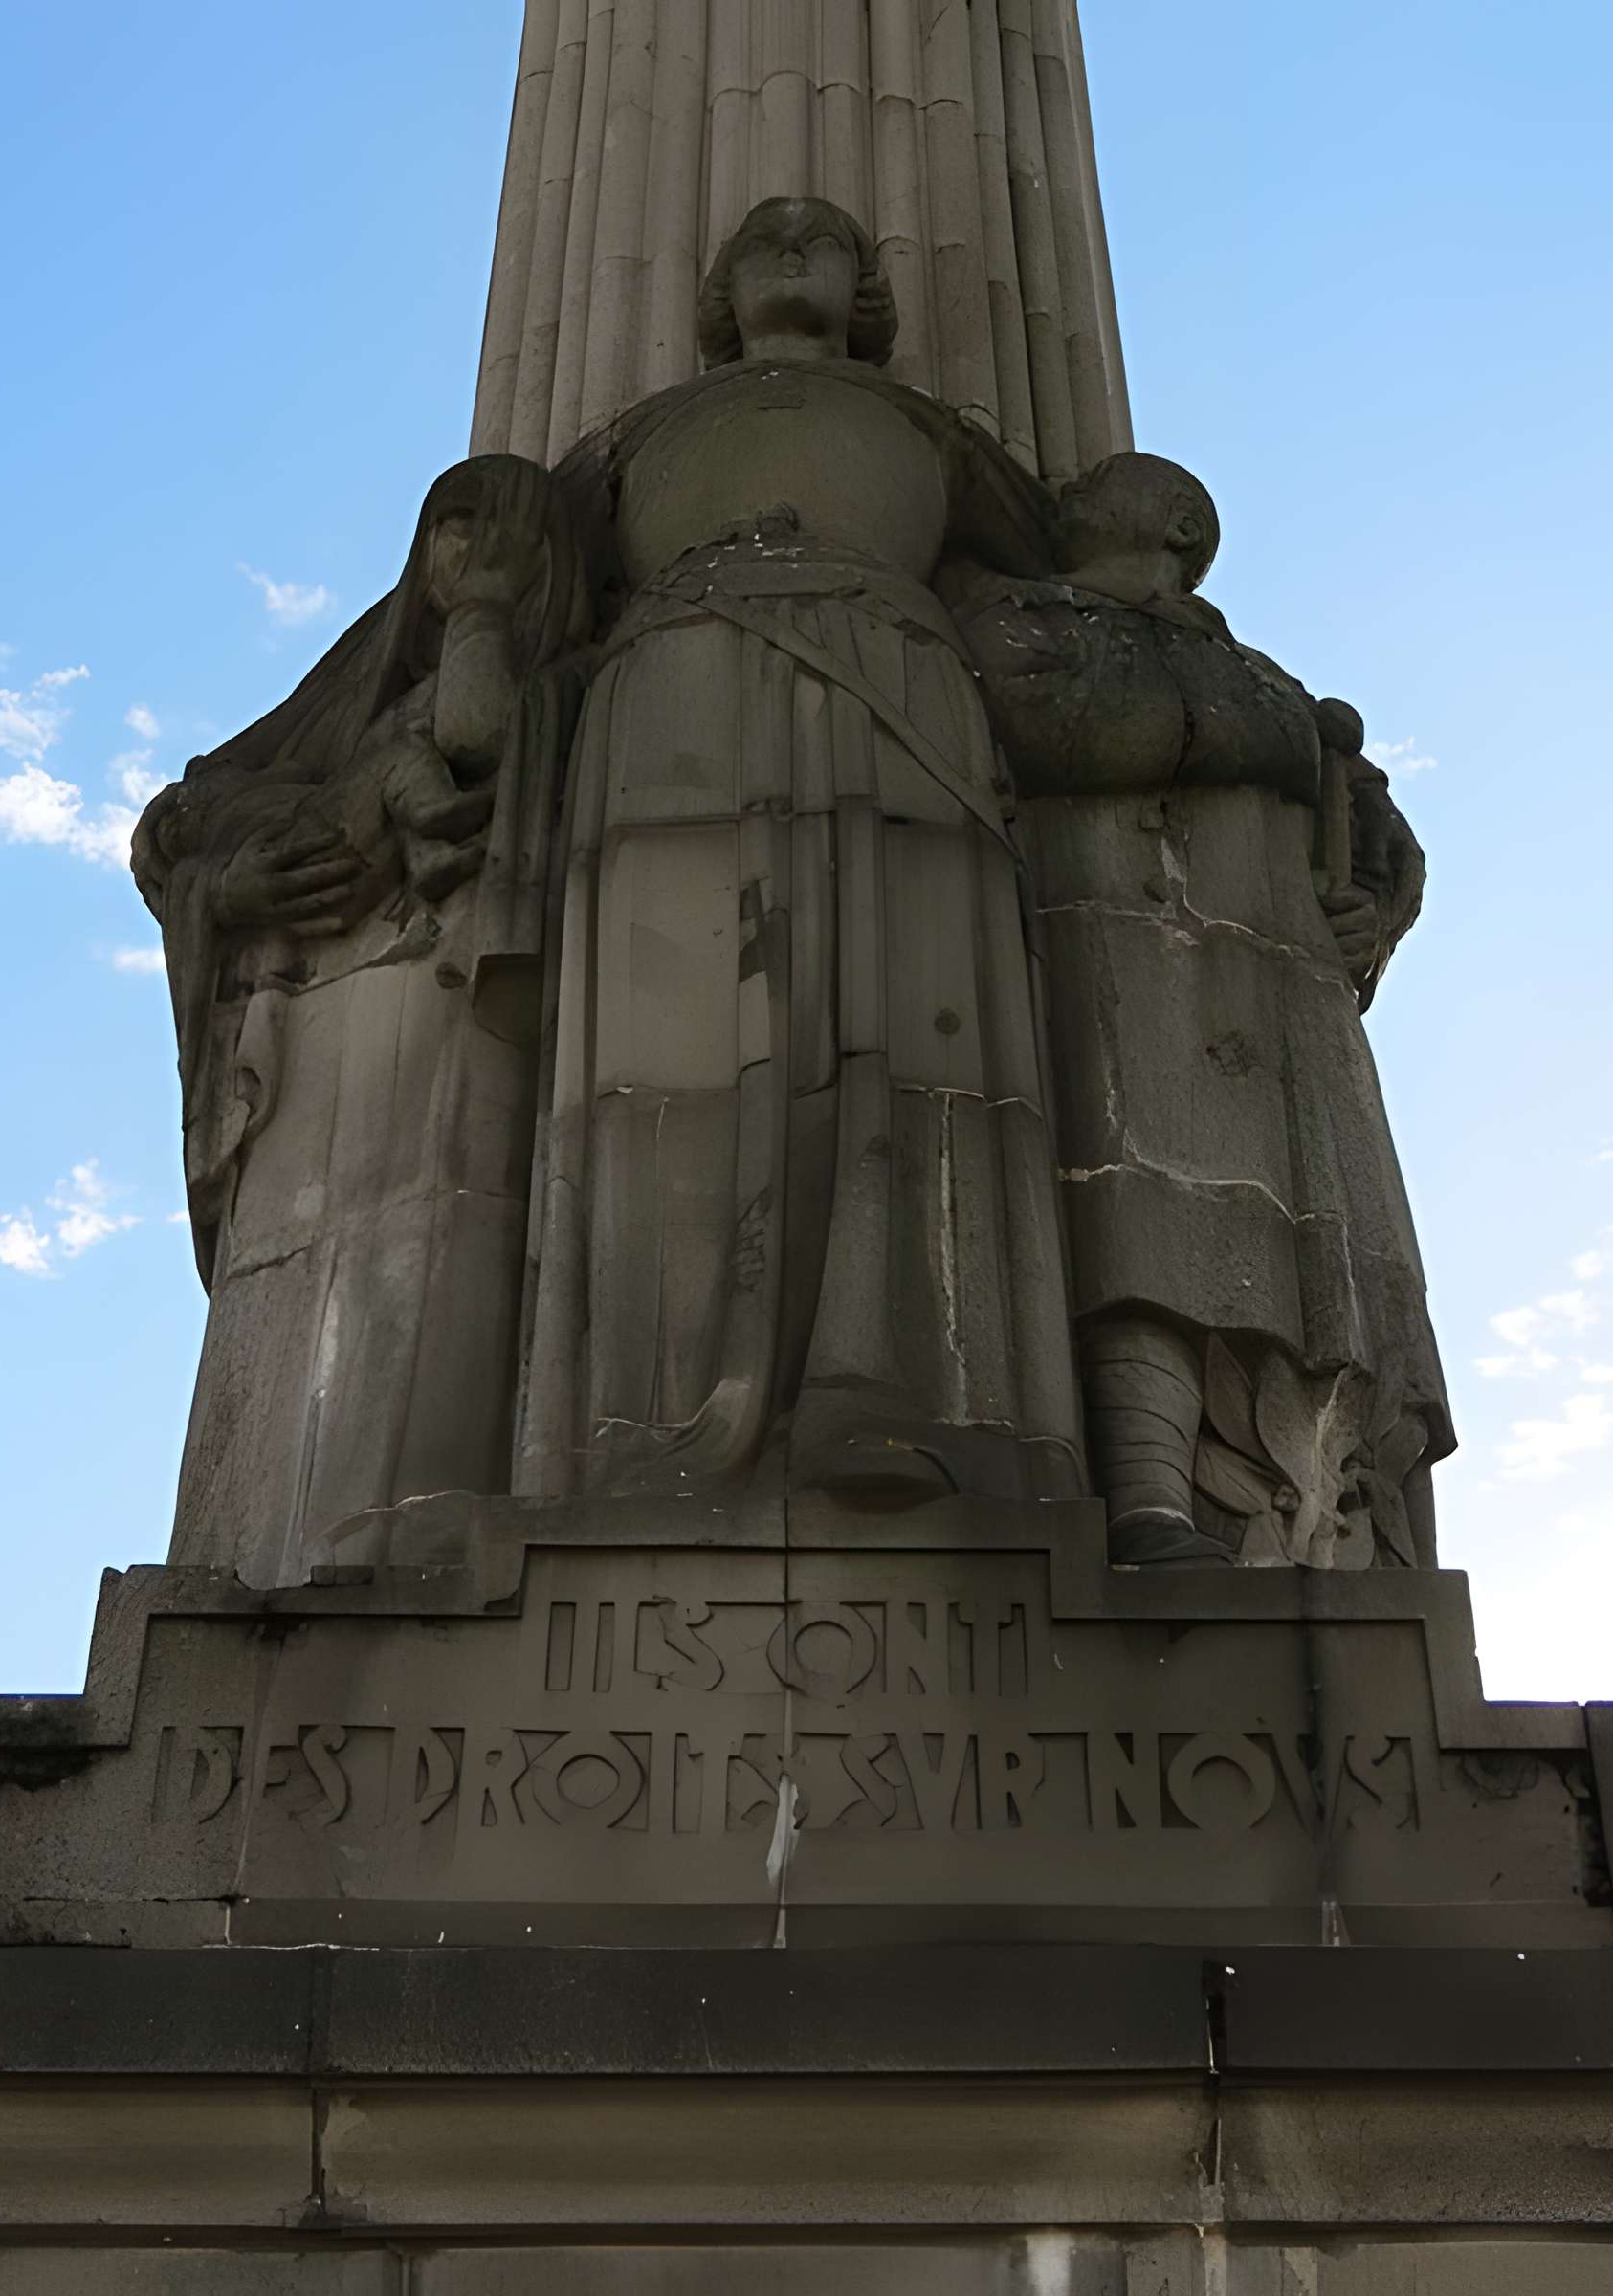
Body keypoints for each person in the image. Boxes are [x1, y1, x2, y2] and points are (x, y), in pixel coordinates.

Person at [511, 196, 1085, 1507]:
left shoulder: (930, 432)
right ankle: (640, 1418)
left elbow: (1075, 579)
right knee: (653, 1066)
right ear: (714, 294)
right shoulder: (640, 436)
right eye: (762, 234)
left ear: (866, 291)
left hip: (896, 689)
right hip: (670, 702)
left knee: (900, 1041)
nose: (787, 245)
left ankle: (897, 1386)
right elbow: (486, 582)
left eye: (821, 237)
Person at [961, 453, 1451, 1566]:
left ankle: (1303, 1525)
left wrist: (1372, 906)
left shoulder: (1260, 685)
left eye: (1112, 484)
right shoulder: (1028, 631)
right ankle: (1145, 1503)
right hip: (1107, 950)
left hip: (1272, 1000)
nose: (1070, 491)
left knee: (1265, 1259)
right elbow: (1062, 723)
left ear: (1179, 523)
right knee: (1136, 1227)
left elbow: (1380, 852)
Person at [132, 456, 586, 1583]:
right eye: (447, 527)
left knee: (420, 1330)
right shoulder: (367, 678)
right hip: (315, 1040)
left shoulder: (576, 667)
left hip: (458, 1023)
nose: (463, 553)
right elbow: (173, 825)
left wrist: (486, 616)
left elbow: (479, 742)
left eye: (495, 529)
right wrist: (222, 892)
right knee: (297, 1357)